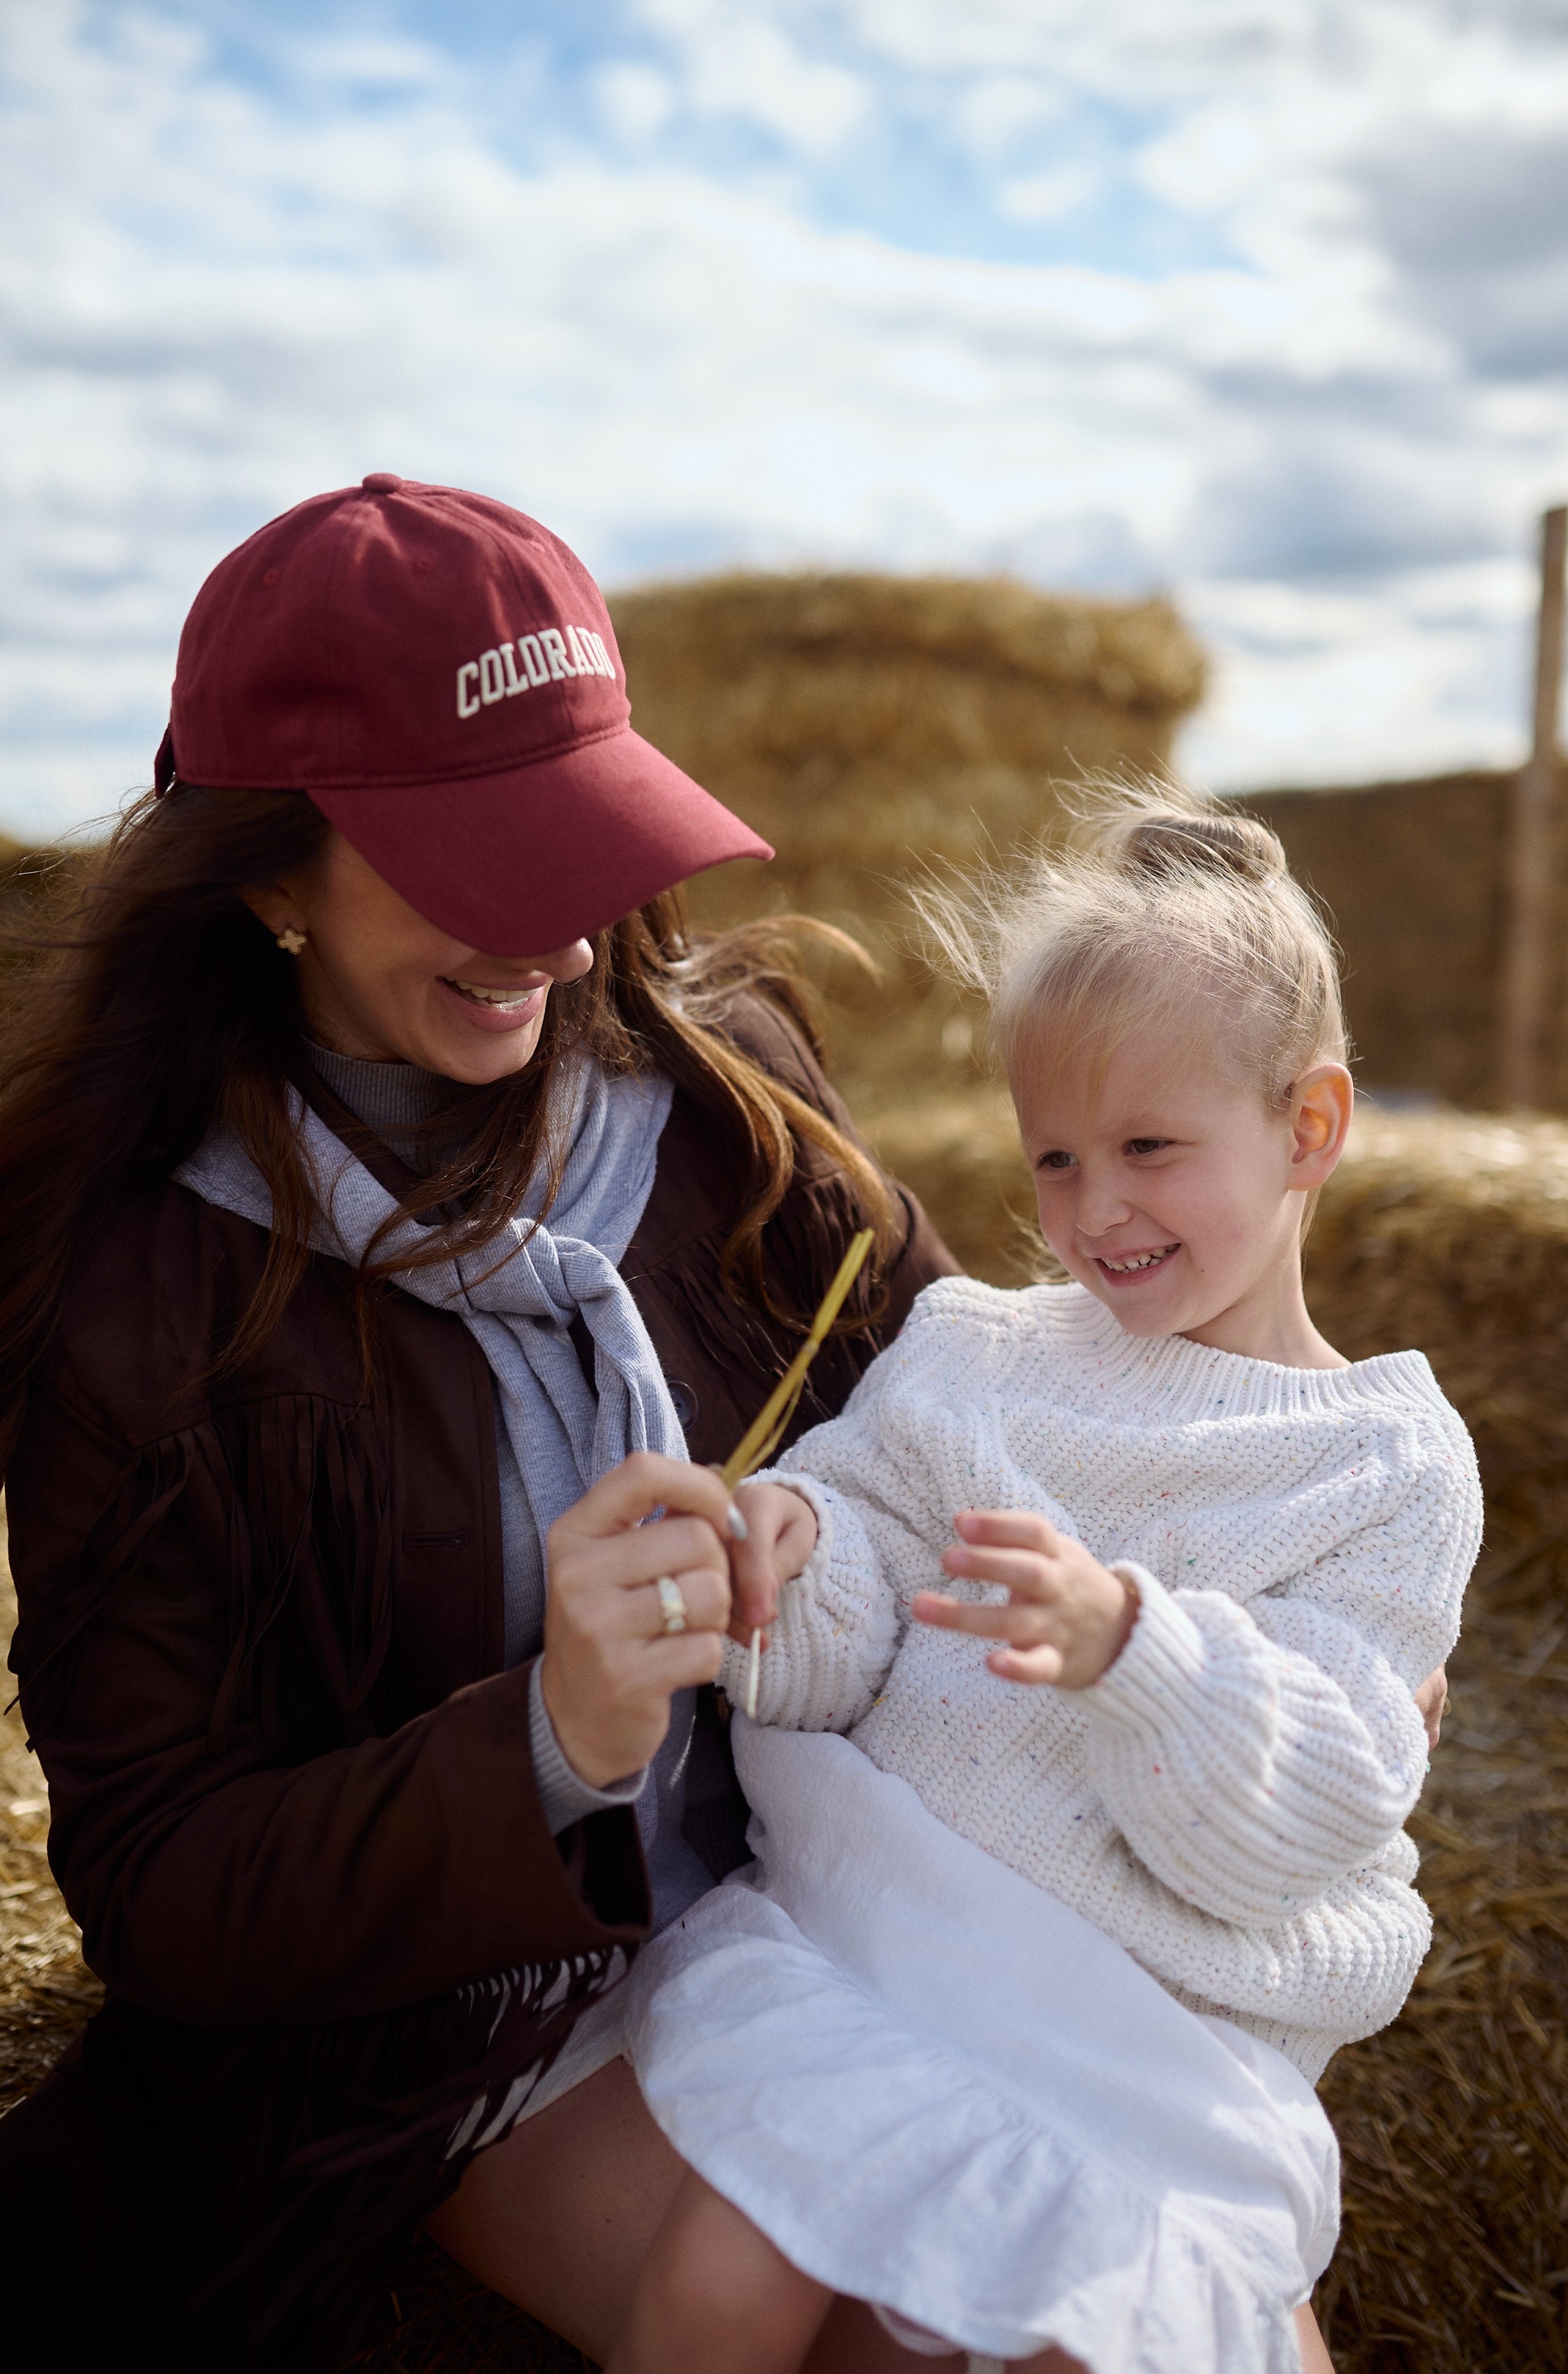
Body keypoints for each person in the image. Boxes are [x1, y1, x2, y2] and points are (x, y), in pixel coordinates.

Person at [0, 475, 962, 2370]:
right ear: (267, 872)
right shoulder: (144, 1303)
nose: (567, 943)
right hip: (482, 2018)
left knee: (1159, 2297)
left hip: (852, 1888)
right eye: (475, 861)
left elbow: (970, 1402)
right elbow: (167, 1892)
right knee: (920, 2336)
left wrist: (1248, 1591)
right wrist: (544, 1741)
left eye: (575, 843)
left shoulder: (732, 1079)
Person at [613, 791, 1480, 2374]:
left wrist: (1136, 1648)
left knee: (1082, 2348)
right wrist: (782, 1569)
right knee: (712, 2286)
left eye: (1150, 1148)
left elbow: (1331, 1791)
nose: (1091, 1214)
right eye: (1056, 1158)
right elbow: (867, 1586)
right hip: (886, 1939)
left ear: (1308, 1126)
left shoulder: (1383, 1467)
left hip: (1139, 2034)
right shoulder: (975, 1354)